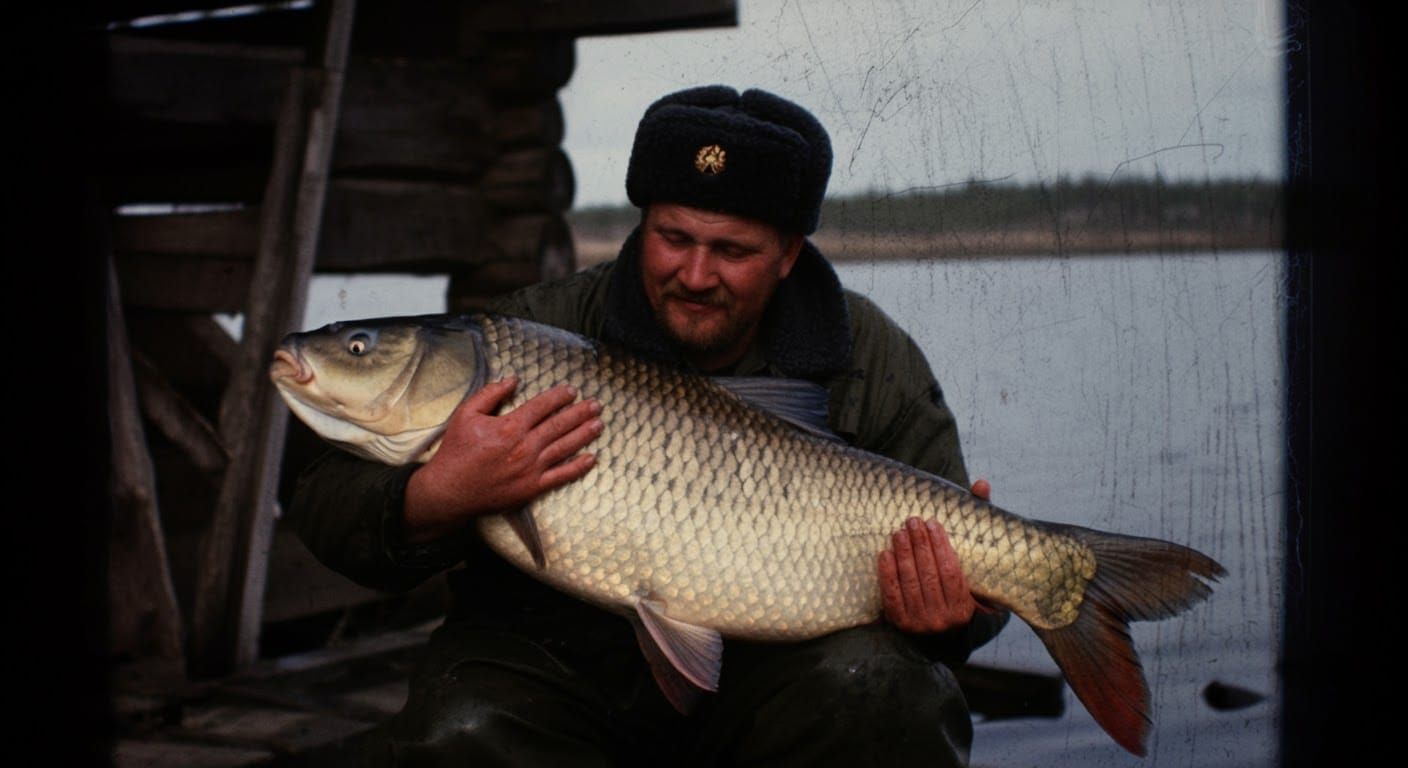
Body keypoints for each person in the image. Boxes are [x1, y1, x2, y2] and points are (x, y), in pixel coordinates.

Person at [290, 85, 1007, 767]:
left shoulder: (871, 355)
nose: (694, 274)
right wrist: (435, 496)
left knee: (891, 694)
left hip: (780, 675)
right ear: (643, 224)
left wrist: (953, 618)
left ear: (789, 255)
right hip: (544, 662)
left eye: (732, 251)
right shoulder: (532, 331)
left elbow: (975, 583)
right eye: (673, 237)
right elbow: (322, 500)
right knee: (460, 734)